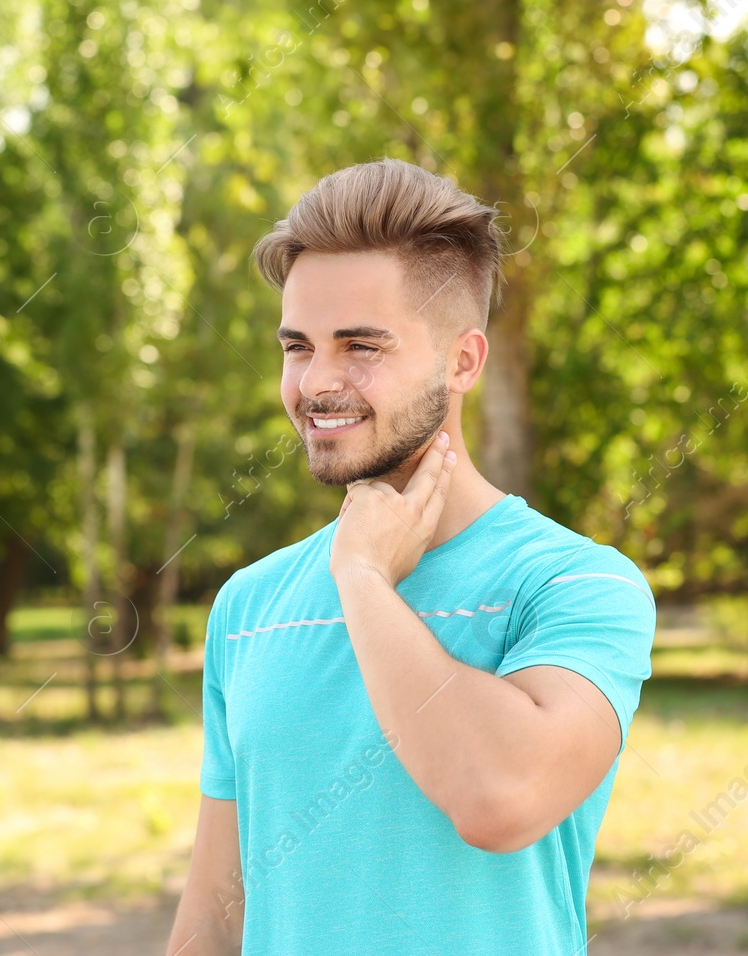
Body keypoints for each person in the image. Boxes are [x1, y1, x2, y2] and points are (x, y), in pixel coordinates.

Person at [165, 158, 655, 955]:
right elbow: (216, 919)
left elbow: (500, 797)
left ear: (463, 361)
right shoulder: (248, 607)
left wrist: (361, 576)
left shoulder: (576, 583)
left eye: (361, 346)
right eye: (298, 346)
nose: (317, 382)